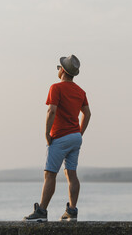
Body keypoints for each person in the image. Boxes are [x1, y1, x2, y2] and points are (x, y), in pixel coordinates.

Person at [23, 54, 91, 222]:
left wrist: (47, 133)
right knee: (72, 174)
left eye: (59, 67)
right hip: (75, 137)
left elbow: (51, 111)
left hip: (60, 136)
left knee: (50, 174)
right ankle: (72, 211)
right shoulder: (80, 91)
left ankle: (42, 212)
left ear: (63, 71)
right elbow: (87, 113)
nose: (58, 69)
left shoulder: (56, 88)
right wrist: (79, 132)